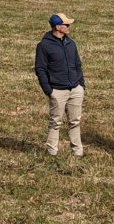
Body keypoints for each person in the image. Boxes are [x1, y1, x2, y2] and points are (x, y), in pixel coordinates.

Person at [34, 12, 85, 156]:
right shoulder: (43, 46)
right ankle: (52, 152)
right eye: (66, 24)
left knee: (75, 121)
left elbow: (77, 64)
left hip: (75, 89)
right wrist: (49, 90)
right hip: (57, 90)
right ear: (57, 27)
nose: (69, 27)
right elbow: (40, 69)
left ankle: (78, 152)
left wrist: (81, 85)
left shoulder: (71, 43)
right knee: (55, 123)